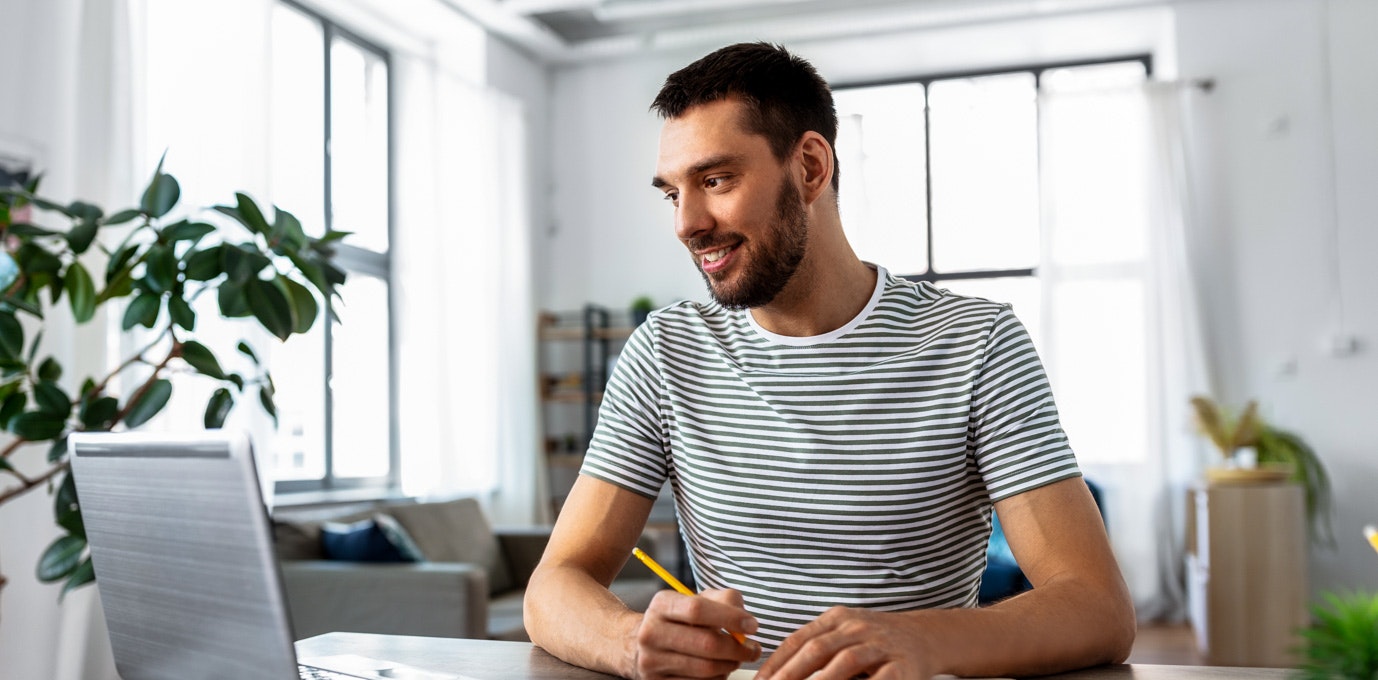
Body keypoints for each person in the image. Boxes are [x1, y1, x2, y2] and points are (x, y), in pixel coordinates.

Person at [524, 42, 1135, 680]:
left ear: (811, 167)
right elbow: (553, 585)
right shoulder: (664, 352)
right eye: (672, 193)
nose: (687, 222)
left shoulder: (977, 343)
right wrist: (629, 640)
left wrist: (922, 639)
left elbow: (1097, 607)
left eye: (715, 180)